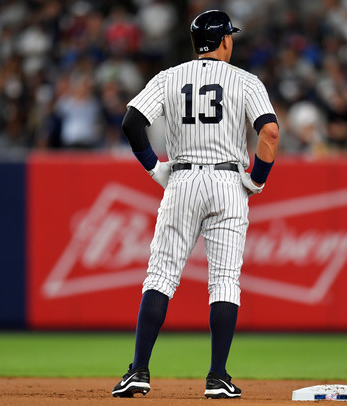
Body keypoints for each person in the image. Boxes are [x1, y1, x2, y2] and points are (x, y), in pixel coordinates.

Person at [111, 10, 279, 399]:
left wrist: (155, 168)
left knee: (160, 276)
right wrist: (257, 178)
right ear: (225, 41)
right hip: (228, 182)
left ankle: (139, 371)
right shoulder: (246, 81)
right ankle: (217, 377)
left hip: (182, 180)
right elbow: (269, 132)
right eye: (230, 37)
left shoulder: (168, 77)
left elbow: (132, 122)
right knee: (225, 280)